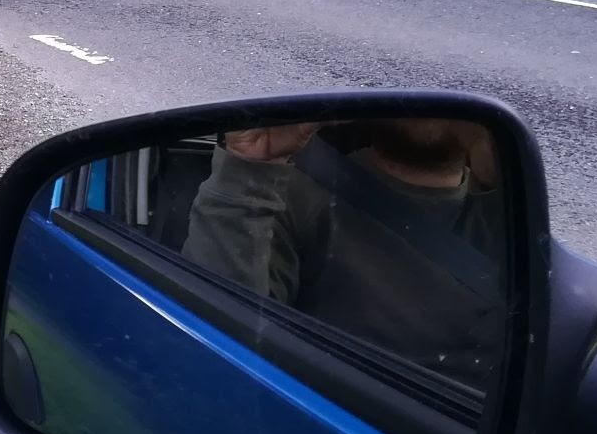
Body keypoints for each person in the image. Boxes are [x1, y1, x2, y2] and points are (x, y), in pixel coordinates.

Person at [178, 118, 507, 392]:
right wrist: (249, 167)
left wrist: (500, 166)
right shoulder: (292, 193)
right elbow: (217, 348)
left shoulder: (508, 219)